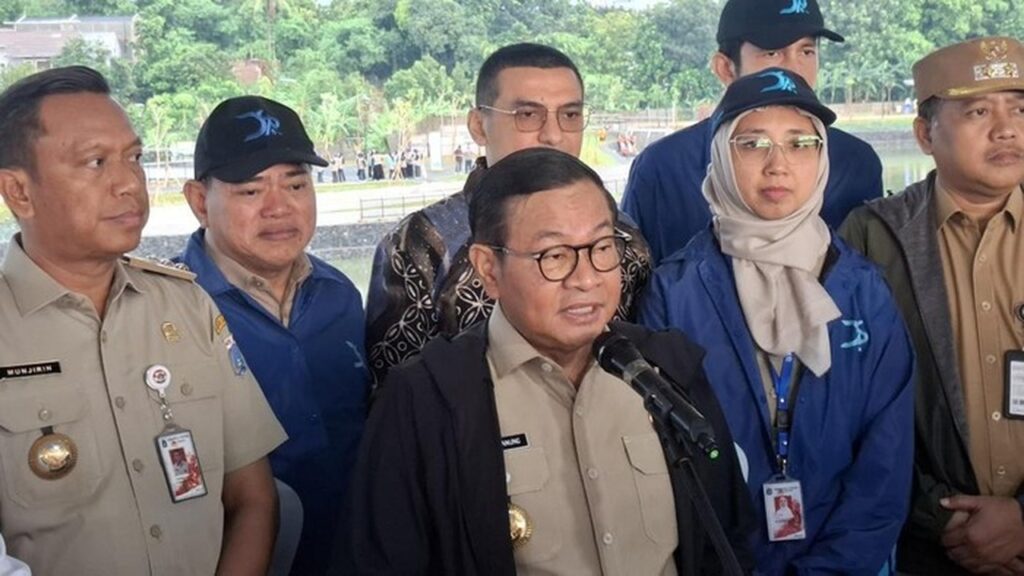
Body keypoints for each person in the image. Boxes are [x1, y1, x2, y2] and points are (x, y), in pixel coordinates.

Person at [348, 147, 754, 575]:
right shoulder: (427, 401)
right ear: (488, 269)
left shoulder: (667, 372)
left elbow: (728, 544)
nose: (587, 278)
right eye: (554, 255)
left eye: (602, 246)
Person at [0, 66, 286, 575]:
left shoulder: (186, 305)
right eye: (95, 162)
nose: (129, 183)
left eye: (133, 158)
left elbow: (253, 496)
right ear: (19, 192)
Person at [639, 69, 914, 574]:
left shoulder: (863, 289)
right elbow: (662, 459)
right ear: (720, 155)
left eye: (801, 143)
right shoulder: (674, 293)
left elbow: (886, 460)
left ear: (822, 157)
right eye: (753, 144)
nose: (778, 165)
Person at [841, 36, 1024, 575]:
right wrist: (939, 516)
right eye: (978, 111)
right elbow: (848, 406)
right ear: (924, 133)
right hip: (929, 546)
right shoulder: (874, 236)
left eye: (1019, 109)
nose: (1007, 129)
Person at [365, 42, 652, 383]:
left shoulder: (622, 237)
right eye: (527, 115)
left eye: (570, 115)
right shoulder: (422, 242)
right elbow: (394, 388)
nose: (553, 135)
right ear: (478, 125)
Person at [178, 96, 370, 576]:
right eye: (250, 190)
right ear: (199, 201)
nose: (279, 208)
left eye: (296, 184)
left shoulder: (340, 295)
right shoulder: (174, 311)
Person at [621, 0, 883, 265]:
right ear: (725, 68)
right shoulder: (662, 169)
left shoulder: (856, 164)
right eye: (772, 52)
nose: (794, 70)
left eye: (806, 51)